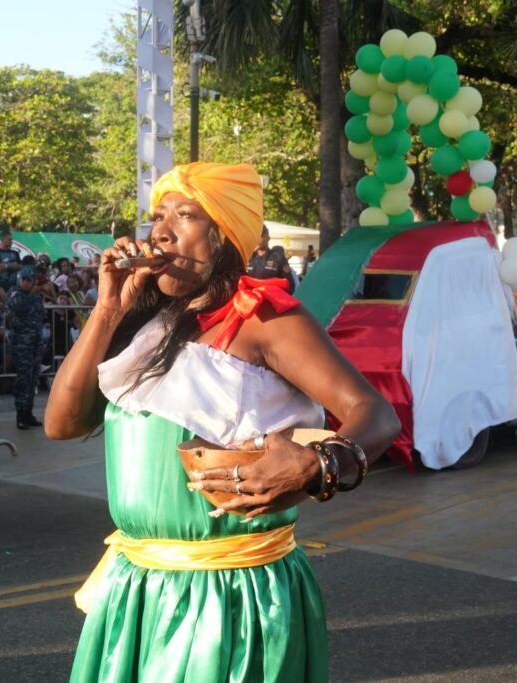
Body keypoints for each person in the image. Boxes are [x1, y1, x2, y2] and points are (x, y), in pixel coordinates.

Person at [45, 162, 400, 682]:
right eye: (157, 216)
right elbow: (62, 424)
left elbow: (375, 414)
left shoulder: (264, 318)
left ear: (225, 234)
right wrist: (106, 310)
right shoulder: (151, 324)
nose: (160, 230)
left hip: (229, 592)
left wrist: (315, 464)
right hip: (138, 584)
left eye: (184, 215)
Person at [7, 266, 45, 429]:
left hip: (35, 342)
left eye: (30, 280)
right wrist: (32, 295)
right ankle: (20, 415)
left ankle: (28, 413)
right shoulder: (15, 293)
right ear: (19, 279)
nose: (27, 283)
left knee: (32, 378)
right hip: (22, 343)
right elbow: (19, 307)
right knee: (23, 379)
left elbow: (41, 315)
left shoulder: (35, 297)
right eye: (25, 279)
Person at [247, 225, 296, 293]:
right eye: (255, 236)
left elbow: (290, 285)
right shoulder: (248, 258)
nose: (257, 239)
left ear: (268, 238)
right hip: (252, 300)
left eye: (260, 236)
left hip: (271, 300)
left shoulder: (278, 258)